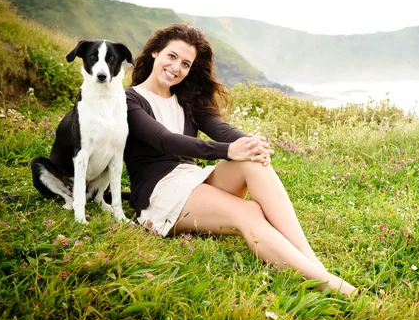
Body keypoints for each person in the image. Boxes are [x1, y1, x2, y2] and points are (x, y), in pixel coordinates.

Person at [124, 23, 356, 295]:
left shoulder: (186, 98)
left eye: (186, 64)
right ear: (155, 52)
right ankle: (332, 286)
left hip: (190, 181)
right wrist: (227, 151)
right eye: (172, 56)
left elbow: (219, 127)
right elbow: (164, 139)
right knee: (248, 212)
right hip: (159, 193)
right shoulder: (130, 99)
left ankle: (313, 264)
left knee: (251, 161)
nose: (177, 68)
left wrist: (249, 143)